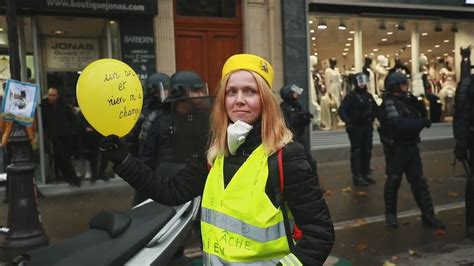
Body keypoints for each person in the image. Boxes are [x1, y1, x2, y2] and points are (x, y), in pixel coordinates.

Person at [100, 54, 335, 265]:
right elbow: (171, 192)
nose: (239, 99)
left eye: (250, 91)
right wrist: (123, 160)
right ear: (223, 100)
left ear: (265, 100)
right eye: (231, 92)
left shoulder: (287, 156)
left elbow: (319, 235)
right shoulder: (215, 153)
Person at [377, 72, 444, 229]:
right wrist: (420, 123)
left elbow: (421, 115)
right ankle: (391, 216)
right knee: (394, 181)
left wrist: (418, 104)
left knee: (419, 182)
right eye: (403, 84)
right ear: (395, 86)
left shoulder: (406, 101)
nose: (406, 87)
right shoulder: (390, 103)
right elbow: (399, 124)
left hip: (411, 146)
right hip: (397, 148)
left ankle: (428, 215)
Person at [338, 73, 378, 186]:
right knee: (357, 151)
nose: (362, 84)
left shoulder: (368, 96)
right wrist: (349, 122)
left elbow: (376, 109)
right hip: (355, 128)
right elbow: (342, 110)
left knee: (367, 150)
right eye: (360, 82)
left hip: (367, 127)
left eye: (364, 82)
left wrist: (373, 116)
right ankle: (358, 176)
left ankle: (365, 173)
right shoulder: (351, 96)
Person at [41, 87, 81, 187]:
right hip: (54, 136)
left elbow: (72, 118)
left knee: (64, 156)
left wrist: (71, 130)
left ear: (57, 96)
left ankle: (68, 177)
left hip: (65, 135)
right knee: (60, 157)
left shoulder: (63, 105)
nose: (52, 97)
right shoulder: (44, 107)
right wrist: (48, 135)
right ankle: (70, 177)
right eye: (50, 95)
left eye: (54, 95)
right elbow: (44, 123)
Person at [279, 84, 317, 175]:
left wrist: (306, 118)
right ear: (288, 94)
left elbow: (305, 121)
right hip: (291, 140)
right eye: (295, 93)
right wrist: (298, 117)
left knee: (310, 161)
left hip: (301, 137)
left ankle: (314, 184)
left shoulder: (298, 105)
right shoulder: (283, 108)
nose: (297, 94)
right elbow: (287, 124)